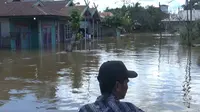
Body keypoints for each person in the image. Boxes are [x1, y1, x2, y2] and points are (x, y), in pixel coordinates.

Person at [79, 61, 144, 112]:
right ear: (117, 86)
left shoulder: (85, 109)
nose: (127, 87)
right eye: (126, 82)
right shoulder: (129, 109)